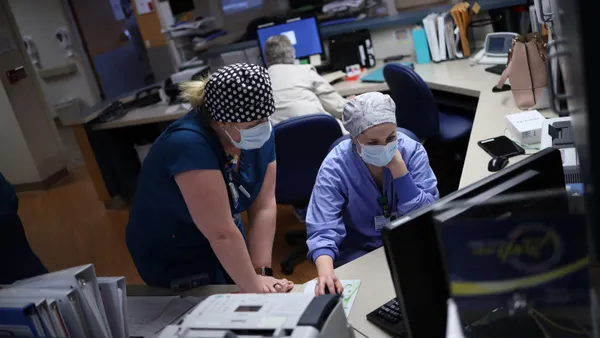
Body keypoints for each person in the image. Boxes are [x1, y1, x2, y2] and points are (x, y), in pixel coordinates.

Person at [126, 63, 294, 293]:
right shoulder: (188, 144)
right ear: (222, 121)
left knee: (244, 291)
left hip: (225, 236)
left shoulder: (257, 134)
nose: (264, 128)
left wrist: (261, 273)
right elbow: (221, 233)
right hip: (177, 250)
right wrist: (256, 289)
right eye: (254, 124)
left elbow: (263, 206)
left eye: (266, 118)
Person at [306, 92, 439, 296]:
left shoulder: (412, 151)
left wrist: (400, 171)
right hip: (360, 252)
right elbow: (323, 227)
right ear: (354, 139)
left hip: (407, 243)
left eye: (391, 138)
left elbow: (427, 217)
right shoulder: (335, 167)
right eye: (373, 143)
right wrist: (325, 274)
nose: (385, 147)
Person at [264, 35, 348, 131]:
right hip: (324, 135)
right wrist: (353, 102)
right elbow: (339, 108)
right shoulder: (305, 71)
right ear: (293, 54)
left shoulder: (260, 82)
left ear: (267, 58)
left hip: (285, 143)